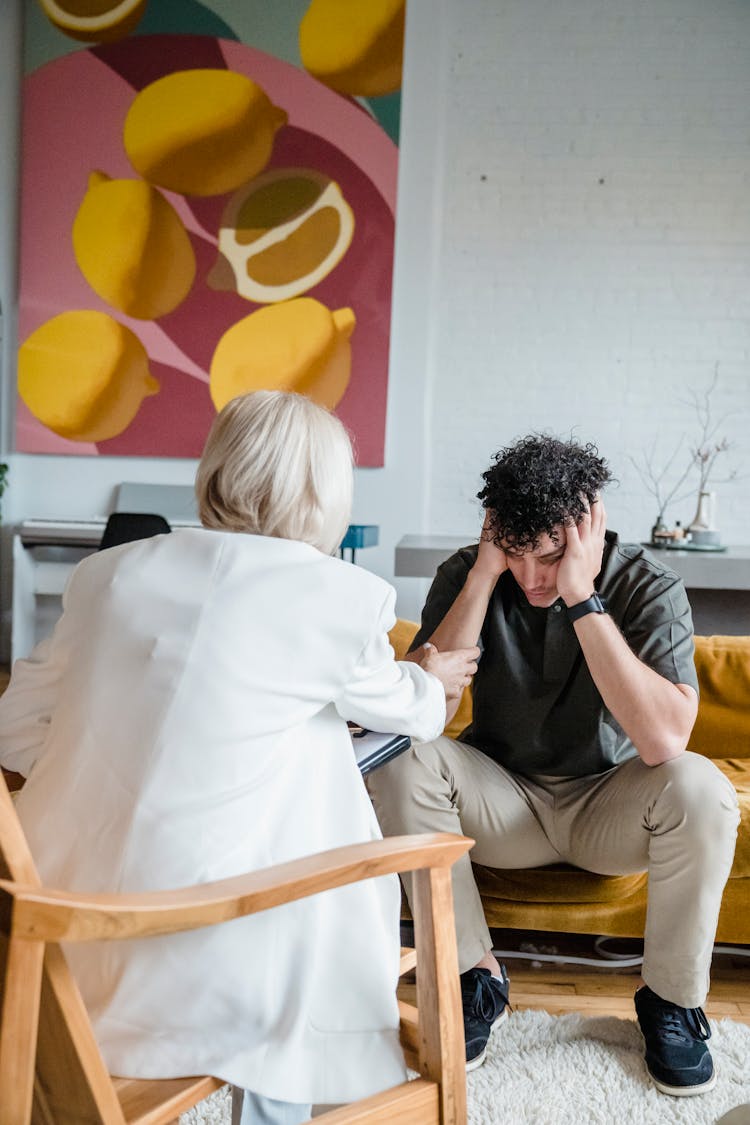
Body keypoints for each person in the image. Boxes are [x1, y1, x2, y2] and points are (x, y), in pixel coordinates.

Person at [0, 391, 478, 1125]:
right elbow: (415, 711)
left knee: (296, 744)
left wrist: (114, 756)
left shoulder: (112, 574)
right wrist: (431, 676)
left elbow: (13, 726)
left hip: (56, 942)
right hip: (215, 962)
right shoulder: (332, 592)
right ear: (324, 494)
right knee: (320, 772)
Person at [368, 434, 740, 1095]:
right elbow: (425, 707)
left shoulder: (645, 586)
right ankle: (474, 975)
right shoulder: (473, 573)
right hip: (503, 803)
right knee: (403, 756)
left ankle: (672, 1002)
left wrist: (582, 596)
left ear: (589, 528)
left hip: (610, 807)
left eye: (551, 557)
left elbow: (663, 743)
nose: (534, 577)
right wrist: (485, 574)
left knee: (703, 786)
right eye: (517, 555)